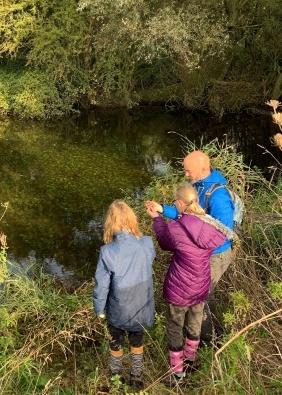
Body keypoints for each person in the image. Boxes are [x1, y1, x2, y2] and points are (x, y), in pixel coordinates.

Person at [145, 184, 235, 386]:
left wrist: (157, 218)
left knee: (175, 328)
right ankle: (190, 360)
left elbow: (164, 242)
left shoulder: (175, 228)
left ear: (178, 203)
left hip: (179, 289)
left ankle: (177, 374)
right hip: (201, 286)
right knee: (194, 326)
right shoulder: (210, 225)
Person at [146, 149, 234, 343]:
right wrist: (162, 209)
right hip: (201, 254)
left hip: (214, 255)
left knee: (204, 296)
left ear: (203, 168)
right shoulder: (198, 187)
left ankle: (209, 339)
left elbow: (224, 231)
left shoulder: (218, 195)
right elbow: (186, 214)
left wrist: (194, 244)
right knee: (200, 295)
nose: (186, 175)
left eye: (188, 171)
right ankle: (200, 336)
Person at [93, 200, 156, 390]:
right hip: (142, 305)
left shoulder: (107, 251)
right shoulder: (147, 243)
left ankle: (116, 376)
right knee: (137, 340)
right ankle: (136, 377)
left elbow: (101, 285)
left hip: (118, 307)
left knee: (115, 341)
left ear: (110, 223)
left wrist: (99, 310)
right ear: (131, 219)